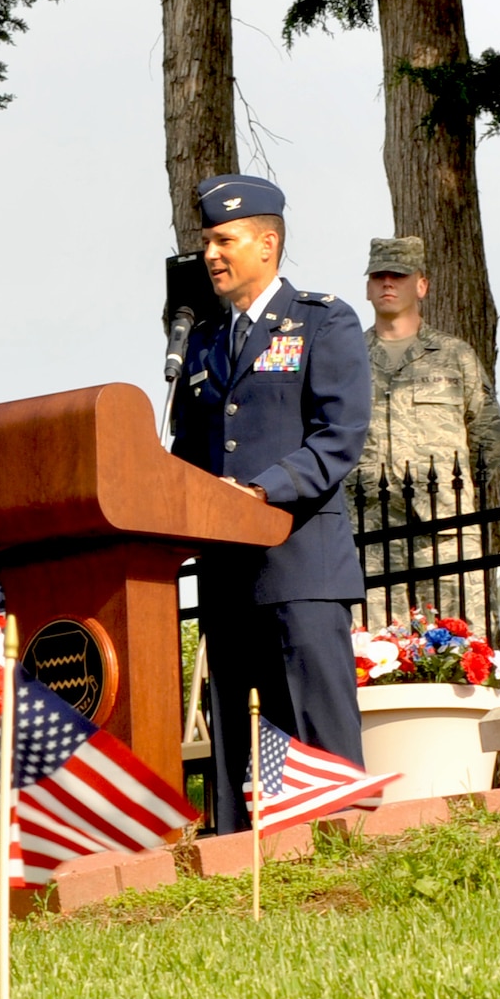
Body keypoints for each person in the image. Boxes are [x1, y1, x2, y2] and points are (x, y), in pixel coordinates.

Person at [169, 174, 372, 835]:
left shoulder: (324, 320)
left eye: (224, 239)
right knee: (238, 740)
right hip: (228, 576)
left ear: (267, 242)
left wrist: (260, 491)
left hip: (300, 566)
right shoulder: (201, 342)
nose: (211, 254)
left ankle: (345, 855)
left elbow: (338, 438)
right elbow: (191, 452)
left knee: (318, 733)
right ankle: (242, 862)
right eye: (206, 241)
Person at [354, 237, 500, 633]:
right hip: (371, 532)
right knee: (376, 649)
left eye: (399, 276)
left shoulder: (454, 356)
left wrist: (455, 493)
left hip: (446, 529)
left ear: (421, 285)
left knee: (458, 639)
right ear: (368, 287)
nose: (388, 284)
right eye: (379, 276)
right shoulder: (347, 358)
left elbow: (488, 435)